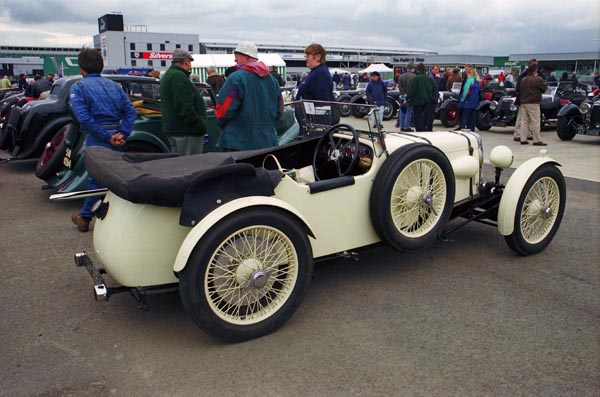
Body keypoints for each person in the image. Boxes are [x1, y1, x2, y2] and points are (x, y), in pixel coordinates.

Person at [70, 48, 137, 232]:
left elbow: (84, 119)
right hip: (117, 138)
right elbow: (131, 111)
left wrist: (107, 137)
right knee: (116, 178)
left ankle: (85, 217)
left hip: (97, 139)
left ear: (81, 68)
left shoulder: (79, 88)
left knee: (96, 181)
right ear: (102, 65)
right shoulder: (114, 86)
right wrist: (122, 133)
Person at [215, 41, 283, 151]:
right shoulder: (272, 80)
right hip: (267, 141)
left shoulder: (236, 78)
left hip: (239, 141)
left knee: (239, 168)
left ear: (246, 57)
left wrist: (220, 123)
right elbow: (279, 110)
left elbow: (224, 110)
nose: (235, 60)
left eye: (237, 56)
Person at [160, 48, 208, 155]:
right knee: (190, 164)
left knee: (180, 164)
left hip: (177, 129)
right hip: (186, 131)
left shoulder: (169, 75)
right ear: (186, 62)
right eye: (190, 62)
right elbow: (184, 106)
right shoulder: (178, 76)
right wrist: (198, 124)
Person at [295, 43, 334, 132]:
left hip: (314, 124)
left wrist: (317, 126)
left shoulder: (320, 74)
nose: (306, 59)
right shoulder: (315, 72)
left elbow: (322, 102)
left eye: (308, 55)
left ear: (318, 57)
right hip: (308, 121)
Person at [519, 64, 548, 146]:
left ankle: (523, 139)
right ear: (535, 71)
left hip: (524, 102)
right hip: (533, 102)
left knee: (524, 121)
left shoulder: (523, 79)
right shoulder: (537, 79)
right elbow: (544, 88)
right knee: (535, 121)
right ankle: (536, 140)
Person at [407, 63, 437, 132]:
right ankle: (424, 129)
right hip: (427, 101)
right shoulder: (429, 78)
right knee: (425, 117)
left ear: (417, 70)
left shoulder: (416, 78)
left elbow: (412, 90)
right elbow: (435, 88)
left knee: (417, 118)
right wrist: (430, 95)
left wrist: (407, 98)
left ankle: (419, 131)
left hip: (417, 101)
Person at [513, 59, 537, 142]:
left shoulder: (526, 75)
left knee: (526, 118)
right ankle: (518, 134)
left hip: (525, 99)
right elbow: (518, 88)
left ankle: (528, 133)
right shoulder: (523, 75)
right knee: (521, 118)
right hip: (524, 99)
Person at [457, 67, 481, 131]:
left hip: (468, 101)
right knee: (472, 117)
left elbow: (466, 92)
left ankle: (462, 129)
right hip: (474, 101)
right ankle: (471, 130)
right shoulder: (476, 80)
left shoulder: (469, 80)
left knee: (464, 117)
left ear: (469, 73)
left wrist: (462, 100)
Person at [396, 62, 415, 131]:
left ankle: (401, 126)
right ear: (412, 68)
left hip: (401, 96)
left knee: (402, 111)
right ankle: (406, 126)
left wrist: (403, 96)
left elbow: (400, 88)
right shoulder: (414, 77)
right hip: (409, 97)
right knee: (408, 112)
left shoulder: (401, 76)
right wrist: (408, 97)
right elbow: (413, 88)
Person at [425, 64, 440, 131]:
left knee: (430, 114)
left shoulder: (432, 76)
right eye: (435, 69)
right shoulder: (432, 77)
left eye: (438, 69)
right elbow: (434, 86)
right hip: (432, 98)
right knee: (430, 115)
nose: (437, 71)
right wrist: (437, 78)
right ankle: (429, 128)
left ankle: (429, 127)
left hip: (433, 98)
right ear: (432, 69)